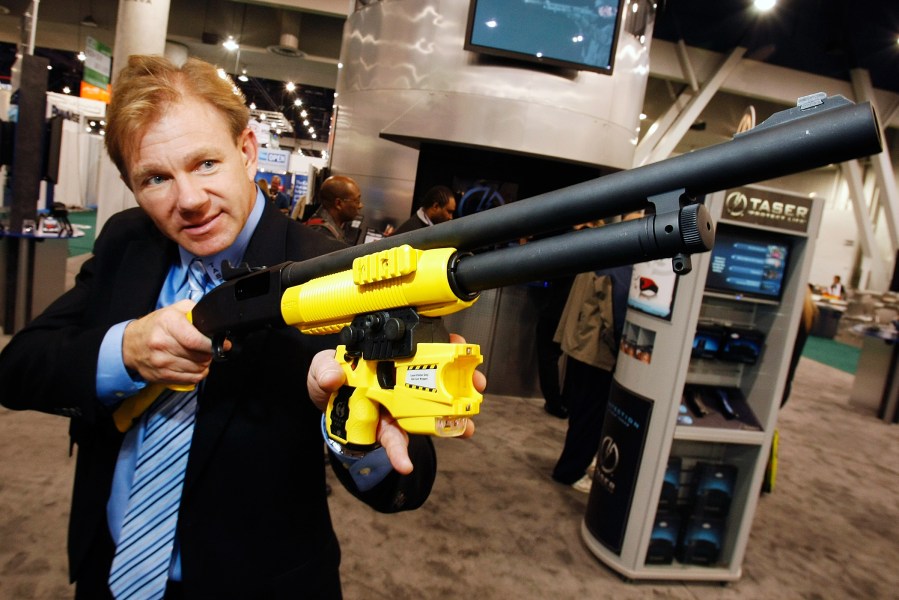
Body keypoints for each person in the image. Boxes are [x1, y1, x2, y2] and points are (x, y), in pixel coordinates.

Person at [0, 55, 481, 599]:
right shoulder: (127, 240)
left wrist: (355, 430)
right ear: (131, 185)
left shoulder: (333, 272)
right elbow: (18, 368)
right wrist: (125, 352)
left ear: (247, 151)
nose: (189, 200)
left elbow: (406, 483)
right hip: (108, 568)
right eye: (156, 178)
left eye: (205, 163)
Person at [550, 213, 639, 492]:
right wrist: (622, 348)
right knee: (589, 418)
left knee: (581, 414)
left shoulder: (602, 249)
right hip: (595, 353)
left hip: (579, 345)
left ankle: (573, 465)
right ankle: (570, 471)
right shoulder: (619, 260)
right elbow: (613, 316)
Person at [306, 175, 364, 245]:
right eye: (357, 201)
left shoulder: (331, 227)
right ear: (338, 204)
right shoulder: (322, 238)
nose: (361, 206)